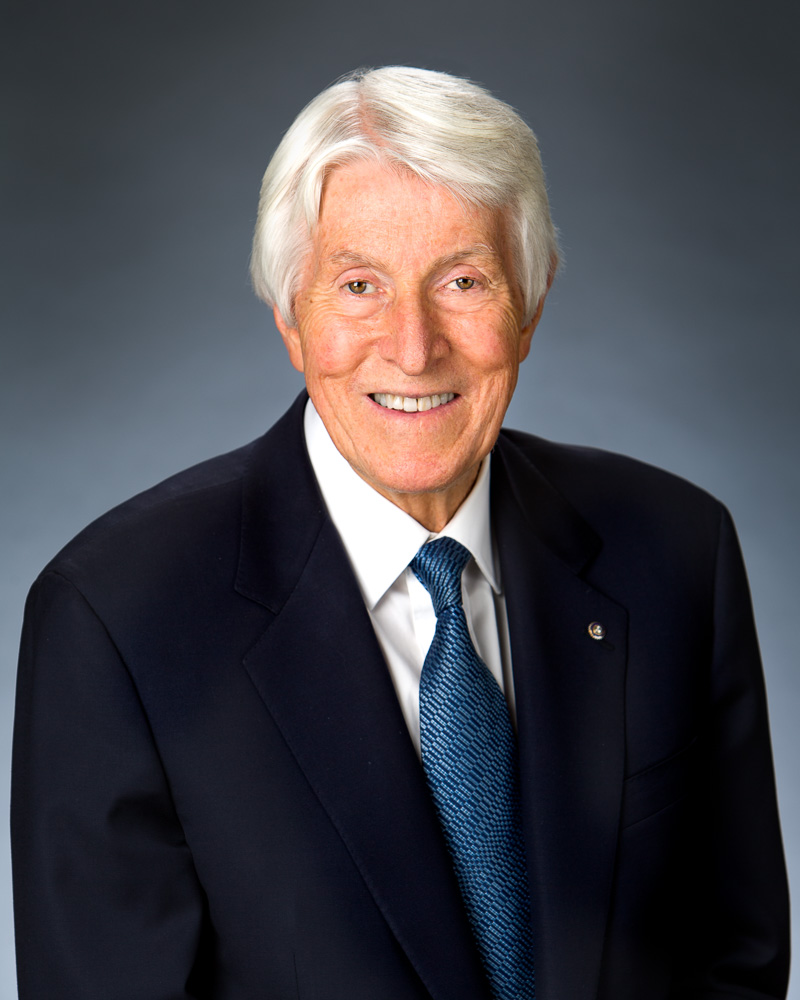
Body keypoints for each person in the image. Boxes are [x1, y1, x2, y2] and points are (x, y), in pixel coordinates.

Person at [11, 66, 789, 1000]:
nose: (414, 346)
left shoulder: (673, 551)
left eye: (463, 280)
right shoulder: (117, 620)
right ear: (291, 318)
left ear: (530, 306)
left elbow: (735, 961)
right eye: (359, 285)